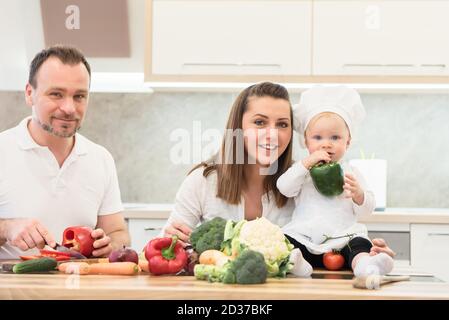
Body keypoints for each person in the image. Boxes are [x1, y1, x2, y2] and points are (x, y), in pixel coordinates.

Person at [162, 82, 395, 265]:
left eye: (282, 124)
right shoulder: (202, 182)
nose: (272, 134)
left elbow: (335, 233)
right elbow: (161, 253)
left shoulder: (307, 182)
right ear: (238, 128)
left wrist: (367, 254)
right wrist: (172, 241)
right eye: (260, 122)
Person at [0, 45, 130, 259]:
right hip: (12, 289)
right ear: (29, 93)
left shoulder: (101, 158)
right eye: (56, 94)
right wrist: (7, 228)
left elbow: (118, 232)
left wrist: (111, 244)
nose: (69, 108)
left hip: (81, 288)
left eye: (79, 96)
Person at [277, 85, 394, 277]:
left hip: (342, 238)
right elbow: (284, 188)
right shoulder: (302, 171)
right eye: (317, 137)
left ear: (347, 142)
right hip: (306, 236)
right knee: (285, 240)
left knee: (360, 243)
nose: (326, 143)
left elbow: (367, 210)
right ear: (306, 142)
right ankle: (298, 265)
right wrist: (306, 163)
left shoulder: (351, 172)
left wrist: (359, 195)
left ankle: (366, 266)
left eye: (335, 137)